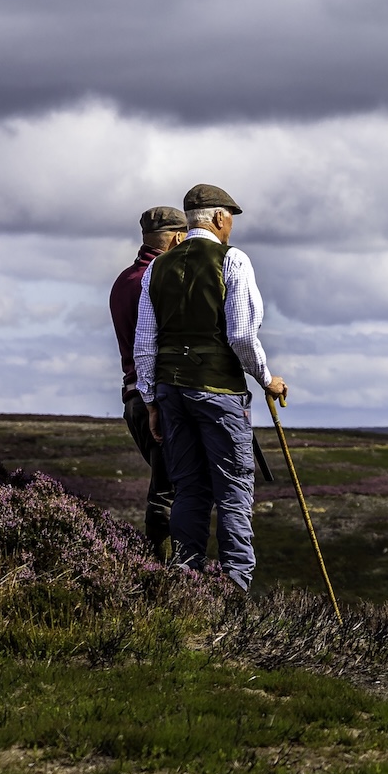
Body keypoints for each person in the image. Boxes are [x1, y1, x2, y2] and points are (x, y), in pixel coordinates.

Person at [132, 183, 288, 591]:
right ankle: (235, 586)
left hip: (170, 392)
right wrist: (266, 378)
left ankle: (187, 581)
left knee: (188, 487)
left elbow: (144, 344)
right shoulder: (232, 260)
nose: (231, 224)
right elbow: (241, 335)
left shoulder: (157, 268)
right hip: (219, 392)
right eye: (230, 217)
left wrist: (151, 401)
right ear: (219, 218)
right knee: (234, 489)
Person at [109, 205, 186, 560]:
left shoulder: (122, 281)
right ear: (177, 238)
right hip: (158, 399)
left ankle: (163, 569)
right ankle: (162, 572)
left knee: (166, 484)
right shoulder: (160, 282)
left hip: (133, 400)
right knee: (169, 491)